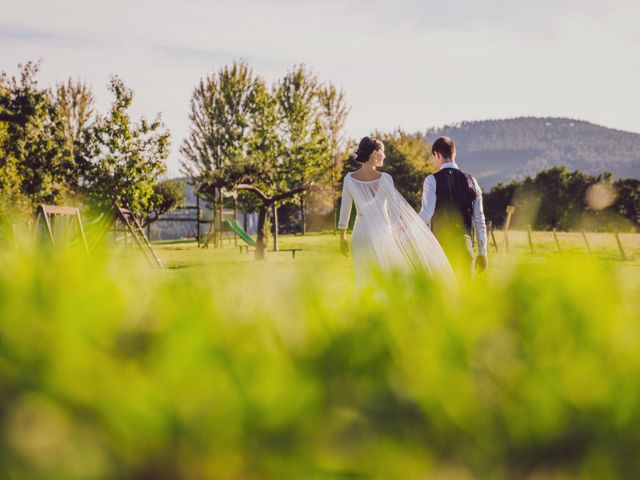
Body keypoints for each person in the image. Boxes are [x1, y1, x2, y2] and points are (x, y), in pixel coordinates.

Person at [338, 136, 453, 288]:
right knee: (386, 281)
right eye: (382, 152)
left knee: (363, 281)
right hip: (382, 233)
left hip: (360, 236)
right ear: (374, 154)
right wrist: (400, 240)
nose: (384, 156)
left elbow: (344, 211)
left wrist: (342, 238)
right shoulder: (385, 179)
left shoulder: (349, 179)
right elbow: (394, 215)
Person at [419, 136, 488, 276]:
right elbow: (480, 221)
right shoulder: (473, 181)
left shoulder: (431, 180)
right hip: (465, 248)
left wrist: (405, 237)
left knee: (440, 296)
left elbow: (426, 214)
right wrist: (483, 253)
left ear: (437, 154)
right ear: (454, 153)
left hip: (441, 249)